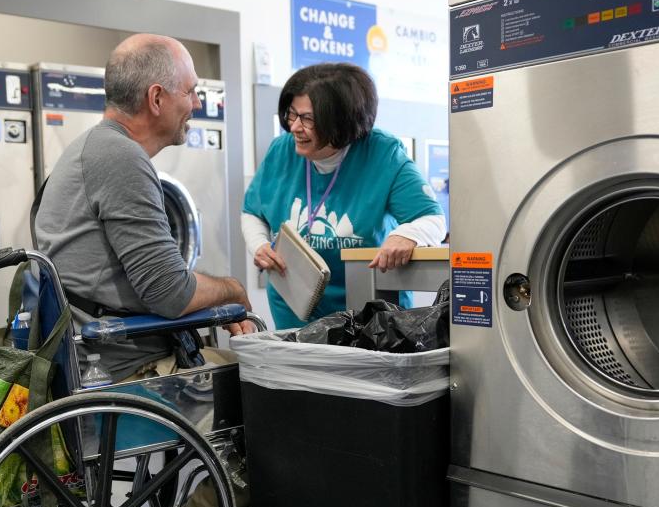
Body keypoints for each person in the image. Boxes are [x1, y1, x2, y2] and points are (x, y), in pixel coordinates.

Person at [34, 33, 256, 382]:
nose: (196, 103)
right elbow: (170, 293)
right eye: (190, 91)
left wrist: (211, 301)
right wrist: (232, 290)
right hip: (126, 372)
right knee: (265, 386)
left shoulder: (93, 146)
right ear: (156, 98)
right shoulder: (120, 157)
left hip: (97, 355)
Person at [241, 63, 446, 329]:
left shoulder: (383, 154)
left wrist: (406, 235)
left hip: (368, 317)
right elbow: (252, 211)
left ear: (342, 120)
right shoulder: (282, 151)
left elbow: (433, 219)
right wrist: (259, 245)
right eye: (292, 115)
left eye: (308, 118)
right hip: (295, 310)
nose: (294, 127)